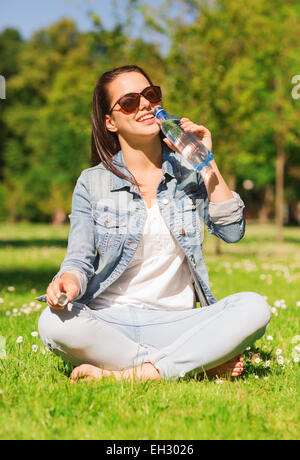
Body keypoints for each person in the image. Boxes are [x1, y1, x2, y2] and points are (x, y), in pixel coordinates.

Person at [38, 65, 271, 383]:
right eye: (130, 101)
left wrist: (207, 160)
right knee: (52, 323)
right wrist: (68, 282)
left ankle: (133, 374)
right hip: (111, 320)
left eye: (150, 95)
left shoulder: (189, 172)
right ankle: (193, 362)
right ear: (110, 121)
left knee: (254, 307)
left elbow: (231, 231)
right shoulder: (92, 183)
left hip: (177, 321)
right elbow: (78, 259)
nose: (145, 104)